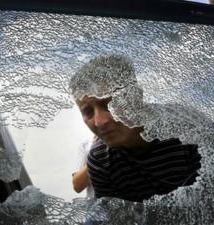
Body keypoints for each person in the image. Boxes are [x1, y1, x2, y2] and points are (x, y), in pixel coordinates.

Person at [69, 55, 202, 202]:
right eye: (88, 112)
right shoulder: (100, 158)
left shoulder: (188, 127)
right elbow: (117, 217)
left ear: (136, 96)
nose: (100, 122)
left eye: (108, 104)